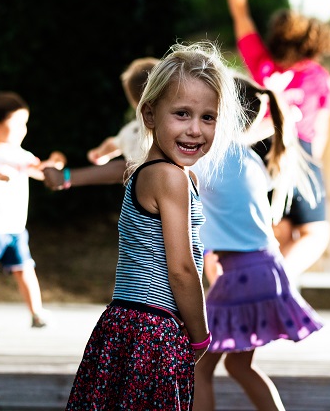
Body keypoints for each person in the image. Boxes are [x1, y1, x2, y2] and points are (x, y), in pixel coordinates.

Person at [66, 42, 245, 409]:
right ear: (149, 115)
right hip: (154, 330)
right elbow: (181, 268)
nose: (195, 130)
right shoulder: (170, 178)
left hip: (125, 325)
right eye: (182, 114)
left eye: (207, 117)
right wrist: (200, 336)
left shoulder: (150, 172)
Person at [193, 75, 323, 411]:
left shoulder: (211, 160)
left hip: (240, 274)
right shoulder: (248, 159)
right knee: (239, 364)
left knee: (199, 367)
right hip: (268, 268)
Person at [225, 0, 330, 275]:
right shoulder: (318, 77)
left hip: (260, 151)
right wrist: (312, 165)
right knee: (314, 233)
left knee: (274, 232)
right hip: (300, 153)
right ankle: (272, 281)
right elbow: (320, 130)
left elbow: (241, 13)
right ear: (314, 47)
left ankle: (261, 282)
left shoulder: (264, 66)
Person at [0, 91, 65, 336]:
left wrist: (55, 164)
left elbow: (41, 171)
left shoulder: (23, 155)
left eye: (25, 124)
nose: (23, 130)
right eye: (17, 123)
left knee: (25, 268)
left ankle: (36, 313)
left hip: (15, 226)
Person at [42, 57, 157, 191]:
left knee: (125, 169)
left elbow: (112, 144)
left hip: (148, 198)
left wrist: (99, 154)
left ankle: (66, 177)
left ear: (134, 102)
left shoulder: (132, 131)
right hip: (173, 195)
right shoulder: (177, 122)